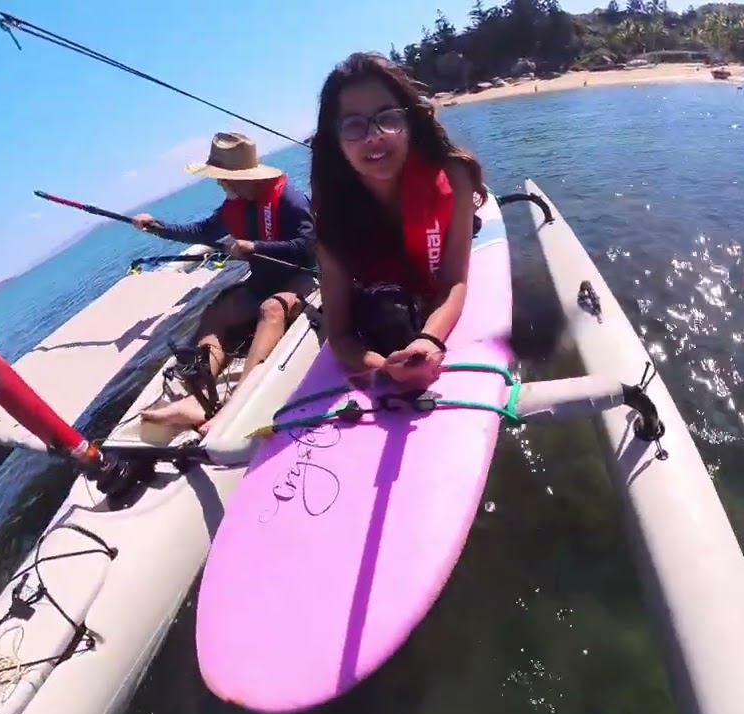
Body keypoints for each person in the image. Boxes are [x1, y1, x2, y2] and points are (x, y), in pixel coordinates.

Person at [310, 52, 486, 391]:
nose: (374, 136)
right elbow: (341, 334)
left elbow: (453, 282)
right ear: (335, 140)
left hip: (430, 302)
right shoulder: (330, 223)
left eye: (386, 118)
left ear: (409, 123)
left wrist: (429, 341)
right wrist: (386, 368)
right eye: (354, 124)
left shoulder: (455, 175)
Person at [132, 131, 317, 431]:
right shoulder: (235, 206)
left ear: (241, 177)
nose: (218, 182)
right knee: (219, 311)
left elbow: (309, 246)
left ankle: (237, 403)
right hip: (263, 280)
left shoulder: (289, 201)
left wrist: (256, 247)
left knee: (271, 309)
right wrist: (157, 227)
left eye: (222, 177)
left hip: (301, 280)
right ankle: (200, 398)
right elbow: (202, 231)